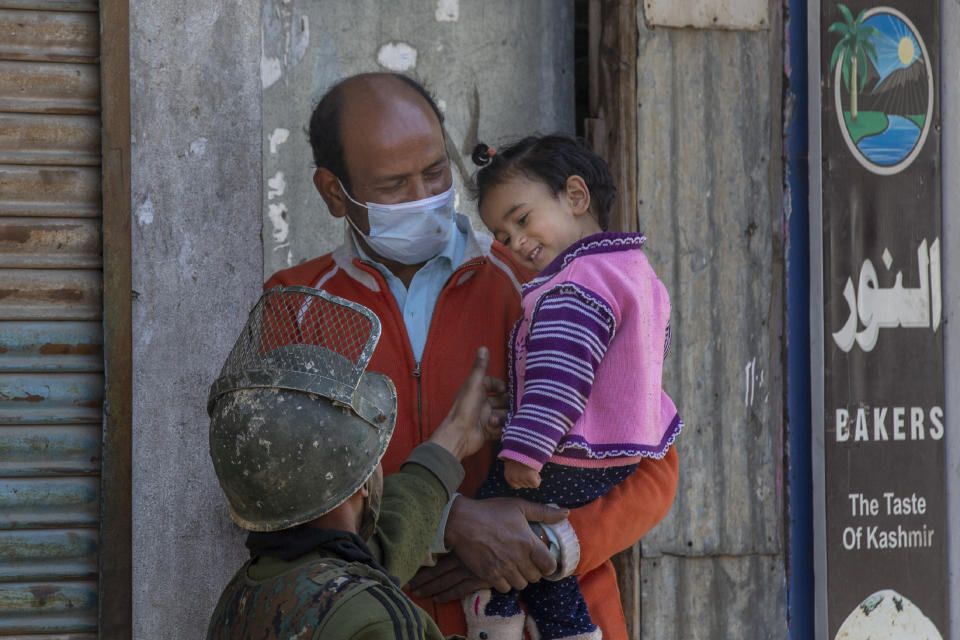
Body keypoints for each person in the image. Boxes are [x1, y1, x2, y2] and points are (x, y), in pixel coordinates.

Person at [264, 71, 681, 639]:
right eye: (392, 185)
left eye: (435, 172)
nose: (423, 197)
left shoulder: (544, 281)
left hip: (548, 615)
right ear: (334, 192)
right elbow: (282, 499)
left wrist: (543, 546)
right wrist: (445, 524)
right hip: (377, 622)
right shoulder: (297, 304)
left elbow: (651, 464)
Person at [462, 136, 683, 639]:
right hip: (619, 457)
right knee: (544, 556)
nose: (516, 243)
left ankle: (491, 621)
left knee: (498, 519)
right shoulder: (633, 270)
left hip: (565, 455)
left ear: (577, 196)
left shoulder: (571, 286)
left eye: (522, 220)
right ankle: (571, 631)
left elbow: (560, 382)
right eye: (502, 234)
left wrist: (525, 449)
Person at [205, 286, 514, 639]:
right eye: (375, 454)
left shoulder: (241, 599)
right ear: (363, 483)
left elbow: (381, 544)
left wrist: (452, 442)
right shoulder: (376, 619)